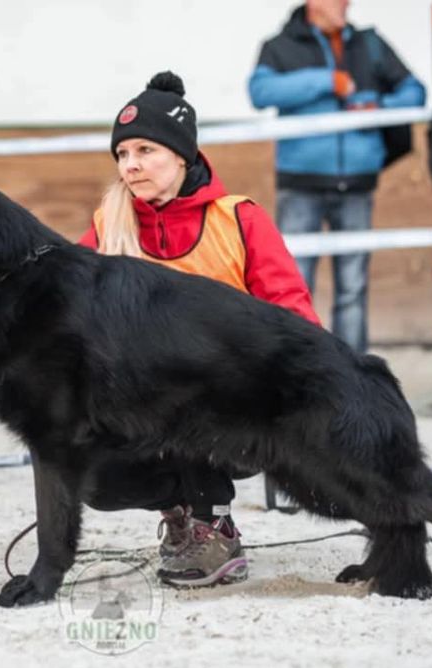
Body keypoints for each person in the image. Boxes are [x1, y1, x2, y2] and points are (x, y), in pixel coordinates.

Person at [79, 72, 321, 588]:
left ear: (182, 155)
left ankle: (216, 527)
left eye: (146, 149)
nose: (132, 165)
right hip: (140, 406)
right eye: (122, 154)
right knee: (85, 469)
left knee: (187, 379)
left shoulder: (239, 220)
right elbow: (65, 310)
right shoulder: (108, 224)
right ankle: (181, 510)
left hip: (239, 411)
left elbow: (295, 317)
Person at [248, 0, 426, 353]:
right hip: (300, 184)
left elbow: (416, 92)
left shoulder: (369, 43)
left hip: (357, 184)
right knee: (293, 283)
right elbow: (260, 92)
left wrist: (380, 107)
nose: (346, 4)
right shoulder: (279, 46)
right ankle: (297, 367)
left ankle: (353, 373)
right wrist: (326, 81)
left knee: (353, 287)